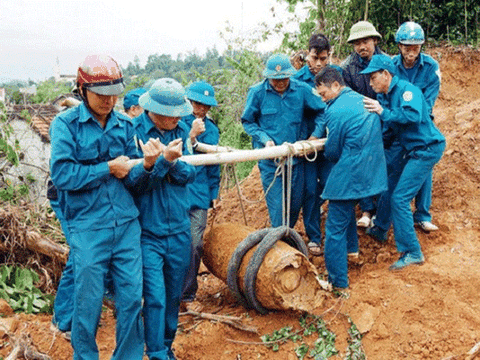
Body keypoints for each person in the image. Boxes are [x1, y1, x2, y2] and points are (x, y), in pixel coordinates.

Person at [50, 54, 149, 359]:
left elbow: (132, 178)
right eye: (101, 95)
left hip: (125, 223)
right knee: (89, 300)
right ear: (83, 90)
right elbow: (63, 174)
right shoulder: (65, 125)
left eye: (114, 94)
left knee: (132, 296)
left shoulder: (125, 125)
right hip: (87, 225)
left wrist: (147, 166)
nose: (109, 101)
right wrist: (106, 168)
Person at [131, 78, 196, 360]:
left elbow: (189, 174)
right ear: (154, 111)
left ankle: (167, 347)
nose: (179, 118)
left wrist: (164, 164)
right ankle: (155, 352)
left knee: (172, 295)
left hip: (180, 228)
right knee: (154, 296)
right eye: (173, 113)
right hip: (149, 231)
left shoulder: (181, 129)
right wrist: (163, 165)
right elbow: (136, 183)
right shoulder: (133, 132)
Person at [362, 54, 445, 270]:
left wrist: (383, 112)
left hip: (426, 149)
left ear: (386, 75)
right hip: (411, 149)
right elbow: (389, 129)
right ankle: (380, 228)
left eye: (373, 78)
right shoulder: (387, 95)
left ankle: (412, 251)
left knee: (400, 198)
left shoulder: (407, 91)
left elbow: (412, 117)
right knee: (389, 184)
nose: (370, 84)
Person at [314, 66, 387, 289]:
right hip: (371, 174)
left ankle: (338, 283)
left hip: (351, 174)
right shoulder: (364, 100)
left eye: (324, 94)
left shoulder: (334, 111)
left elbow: (333, 151)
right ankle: (352, 253)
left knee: (334, 228)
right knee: (345, 213)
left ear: (336, 86)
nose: (323, 99)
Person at [241, 53, 326, 234]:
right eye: (275, 80)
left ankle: (286, 238)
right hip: (271, 163)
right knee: (279, 212)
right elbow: (248, 121)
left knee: (294, 206)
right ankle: (280, 245)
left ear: (290, 75)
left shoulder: (302, 90)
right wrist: (265, 139)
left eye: (284, 79)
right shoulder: (257, 93)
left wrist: (315, 135)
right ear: (268, 77)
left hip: (296, 160)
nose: (280, 83)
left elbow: (323, 110)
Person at [293, 33, 341, 256]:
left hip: (329, 143)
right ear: (307, 55)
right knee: (310, 189)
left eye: (323, 58)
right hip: (307, 146)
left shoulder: (335, 77)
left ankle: (324, 216)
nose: (319, 64)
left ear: (328, 56)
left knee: (331, 183)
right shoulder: (297, 80)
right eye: (315, 58)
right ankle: (314, 236)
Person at [394, 21, 441, 232]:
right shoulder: (391, 67)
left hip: (421, 124)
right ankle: (383, 213)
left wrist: (412, 117)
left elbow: (428, 102)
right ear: (399, 46)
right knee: (393, 164)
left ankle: (422, 214)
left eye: (415, 47)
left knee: (424, 166)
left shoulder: (431, 68)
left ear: (421, 46)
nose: (411, 51)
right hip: (397, 125)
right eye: (406, 46)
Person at [180, 81, 221, 310]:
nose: (201, 109)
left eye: (206, 105)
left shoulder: (213, 129)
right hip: (177, 194)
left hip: (199, 195)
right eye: (197, 103)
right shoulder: (177, 122)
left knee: (195, 245)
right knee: (175, 244)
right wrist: (191, 137)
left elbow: (214, 164)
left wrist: (214, 193)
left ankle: (187, 296)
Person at [341, 20, 385, 228]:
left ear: (375, 40)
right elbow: (348, 98)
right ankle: (367, 209)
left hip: (386, 120)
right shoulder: (347, 68)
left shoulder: (388, 62)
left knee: (387, 163)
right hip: (361, 123)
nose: (361, 47)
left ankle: (384, 210)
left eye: (365, 41)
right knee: (361, 163)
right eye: (357, 43)